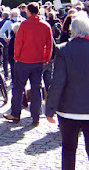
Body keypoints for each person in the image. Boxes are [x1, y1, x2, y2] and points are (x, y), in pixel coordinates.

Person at [46, 12, 89, 170]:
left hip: (68, 110)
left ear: (72, 31)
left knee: (69, 149)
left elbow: (58, 82)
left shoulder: (63, 49)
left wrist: (50, 109)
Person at [4, 2, 52, 126]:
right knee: (36, 88)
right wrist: (46, 59)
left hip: (24, 61)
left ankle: (15, 114)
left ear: (29, 12)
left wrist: (16, 57)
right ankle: (36, 116)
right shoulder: (45, 25)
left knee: (19, 88)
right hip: (38, 61)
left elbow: (19, 43)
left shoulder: (24, 25)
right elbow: (49, 45)